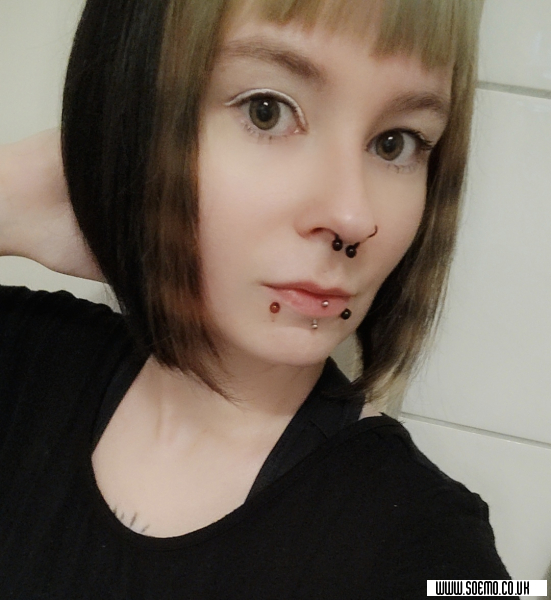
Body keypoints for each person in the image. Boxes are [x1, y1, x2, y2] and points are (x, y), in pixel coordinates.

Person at [0, 0, 517, 597]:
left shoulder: (432, 550)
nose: (354, 217)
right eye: (266, 111)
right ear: (136, 110)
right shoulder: (27, 358)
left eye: (395, 143)